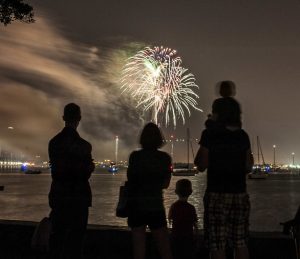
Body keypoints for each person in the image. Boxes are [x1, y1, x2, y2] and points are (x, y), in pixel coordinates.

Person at [194, 95, 253, 259]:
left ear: (217, 114)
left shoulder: (210, 134)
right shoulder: (243, 136)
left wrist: (209, 128)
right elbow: (248, 166)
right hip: (240, 194)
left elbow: (201, 164)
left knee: (217, 243)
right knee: (240, 242)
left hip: (217, 194)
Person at [48, 103, 95, 259]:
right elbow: (85, 173)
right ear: (79, 119)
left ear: (63, 118)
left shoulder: (53, 143)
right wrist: (90, 166)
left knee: (57, 237)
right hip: (79, 197)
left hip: (59, 195)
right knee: (76, 240)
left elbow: (57, 169)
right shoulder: (85, 146)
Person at [127, 122, 173, 259]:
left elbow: (130, 179)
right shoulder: (164, 158)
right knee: (165, 250)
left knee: (139, 251)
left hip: (136, 206)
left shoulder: (135, 156)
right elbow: (165, 184)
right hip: (155, 206)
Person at [168, 179, 198, 259]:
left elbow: (170, 221)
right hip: (188, 239)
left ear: (176, 192)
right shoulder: (191, 208)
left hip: (176, 238)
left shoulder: (174, 206)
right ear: (190, 192)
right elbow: (195, 225)